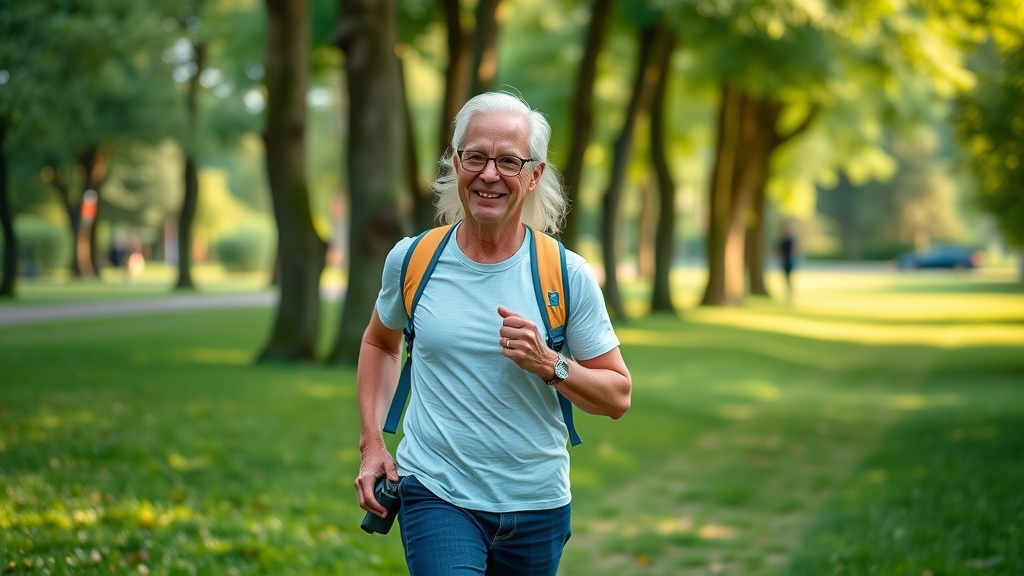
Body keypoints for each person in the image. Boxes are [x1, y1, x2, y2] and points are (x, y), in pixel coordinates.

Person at [354, 91, 632, 576]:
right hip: (437, 492)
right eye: (476, 157)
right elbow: (381, 342)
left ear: (534, 175)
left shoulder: (567, 274)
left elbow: (617, 396)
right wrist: (372, 444)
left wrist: (549, 362)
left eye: (508, 161)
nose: (489, 174)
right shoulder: (413, 259)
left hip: (538, 504)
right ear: (456, 163)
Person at [776, 221, 799, 302]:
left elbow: (794, 250)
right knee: (786, 279)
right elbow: (778, 250)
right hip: (784, 261)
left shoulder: (790, 240)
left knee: (788, 279)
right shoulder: (783, 239)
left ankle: (790, 295)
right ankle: (788, 294)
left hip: (789, 262)